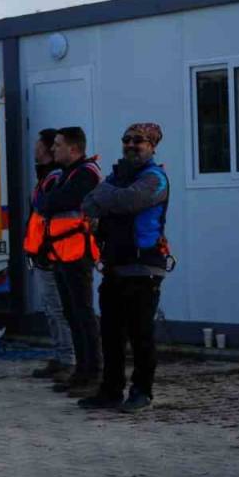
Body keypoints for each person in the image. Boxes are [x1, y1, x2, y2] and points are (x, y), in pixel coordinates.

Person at [78, 123, 171, 413]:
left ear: (152, 146)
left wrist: (106, 196)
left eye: (139, 141)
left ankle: (142, 392)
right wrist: (107, 197)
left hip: (144, 269)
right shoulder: (117, 176)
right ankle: (110, 391)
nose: (131, 145)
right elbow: (88, 204)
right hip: (114, 267)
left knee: (141, 335)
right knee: (111, 335)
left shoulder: (155, 179)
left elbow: (129, 202)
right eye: (127, 140)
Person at [29, 127, 102, 397]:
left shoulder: (86, 174)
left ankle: (93, 373)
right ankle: (81, 372)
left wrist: (49, 202)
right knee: (71, 314)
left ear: (73, 148)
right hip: (60, 253)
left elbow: (56, 201)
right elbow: (44, 202)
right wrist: (49, 202)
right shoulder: (67, 174)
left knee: (82, 314)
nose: (53, 149)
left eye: (58, 145)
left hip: (77, 253)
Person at [25, 129, 75, 380]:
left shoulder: (55, 177)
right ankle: (60, 356)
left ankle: (68, 359)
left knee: (58, 309)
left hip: (53, 252)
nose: (34, 148)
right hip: (42, 252)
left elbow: (47, 210)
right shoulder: (45, 176)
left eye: (38, 144)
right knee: (51, 308)